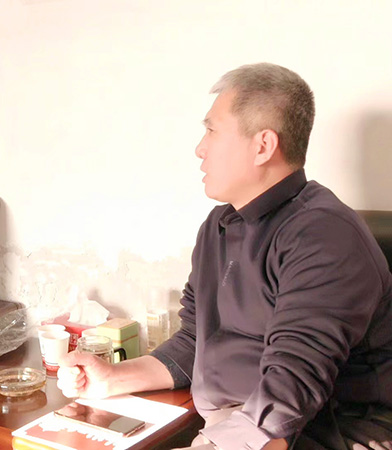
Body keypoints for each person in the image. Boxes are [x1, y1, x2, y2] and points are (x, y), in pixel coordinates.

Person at [57, 63, 392, 449]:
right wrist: (111, 378)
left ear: (263, 146)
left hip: (322, 434)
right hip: (234, 427)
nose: (200, 148)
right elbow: (196, 340)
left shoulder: (323, 235)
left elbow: (291, 392)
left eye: (212, 131)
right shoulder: (218, 226)